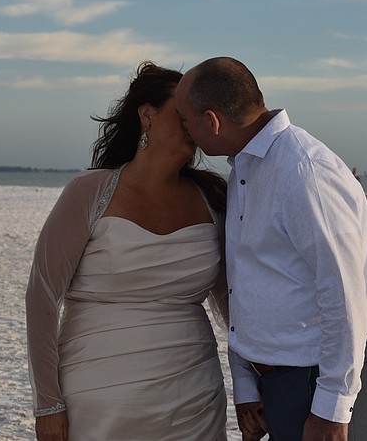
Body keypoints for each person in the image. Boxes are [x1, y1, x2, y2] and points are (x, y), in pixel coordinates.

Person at [175, 56, 367, 441]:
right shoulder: (248, 166)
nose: (183, 129)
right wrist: (248, 383)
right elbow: (249, 282)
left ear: (211, 122)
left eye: (185, 119)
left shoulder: (303, 171)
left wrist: (333, 407)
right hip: (282, 382)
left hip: (322, 380)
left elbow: (344, 293)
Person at [25, 62, 229, 441]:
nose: (193, 121)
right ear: (147, 116)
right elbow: (42, 296)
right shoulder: (89, 192)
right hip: (97, 400)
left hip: (193, 400)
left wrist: (257, 382)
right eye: (181, 111)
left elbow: (231, 306)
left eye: (199, 113)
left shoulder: (212, 200)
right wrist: (48, 404)